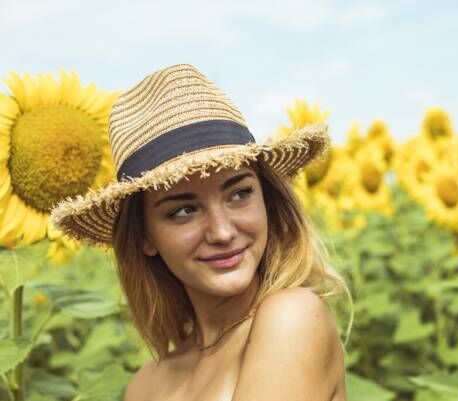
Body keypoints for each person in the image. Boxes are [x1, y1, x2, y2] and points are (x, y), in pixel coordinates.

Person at [51, 64, 353, 401]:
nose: (222, 232)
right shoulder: (144, 386)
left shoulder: (292, 318)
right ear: (144, 237)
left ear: (267, 198)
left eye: (239, 194)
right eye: (183, 210)